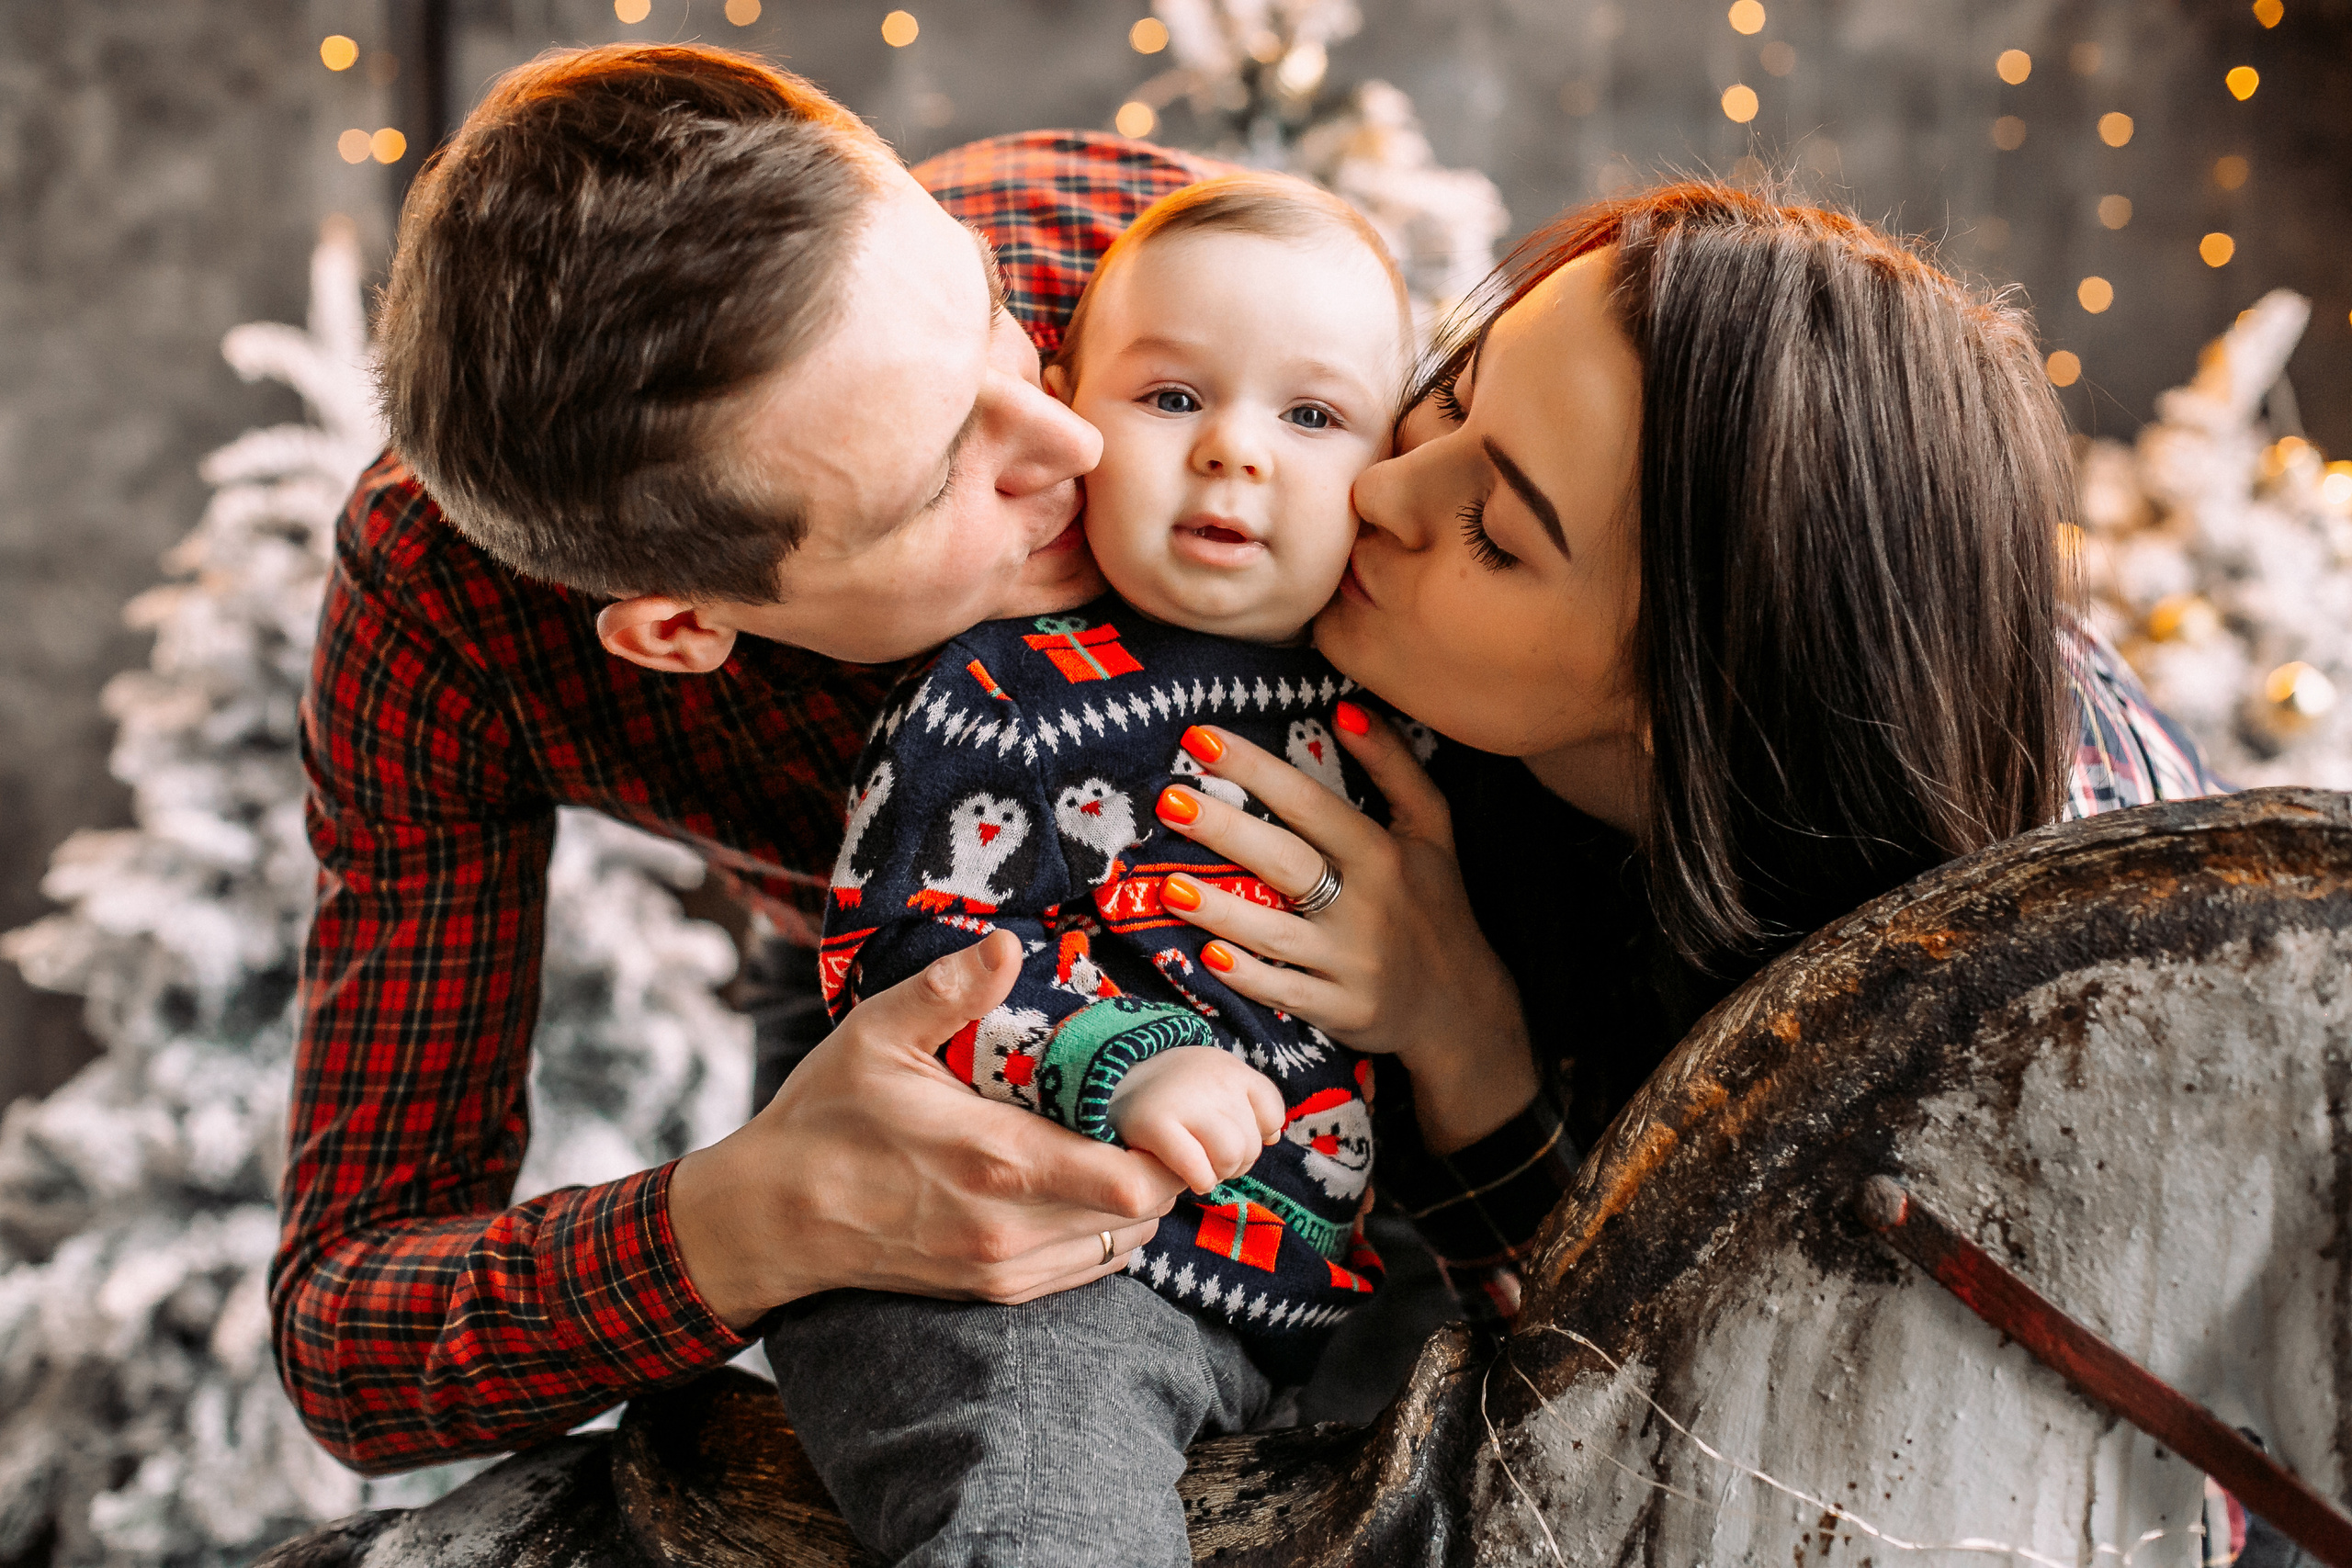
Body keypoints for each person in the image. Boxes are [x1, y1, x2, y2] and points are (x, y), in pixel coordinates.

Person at [266, 43, 1494, 1473]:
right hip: (911, 973)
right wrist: (745, 1215)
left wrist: (1471, 1010)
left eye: (992, 320)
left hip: (1358, 962)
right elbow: (348, 1331)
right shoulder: (446, 617)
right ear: (681, 627)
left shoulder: (1151, 269)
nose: (1074, 429)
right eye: (940, 475)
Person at [1130, 183, 2226, 1320]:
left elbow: (1690, 1418)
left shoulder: (2021, 988)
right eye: (1451, 402)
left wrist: (1464, 1039)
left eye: (1494, 535)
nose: (1378, 488)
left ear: (1699, 698)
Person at [772, 174, 1411, 1565]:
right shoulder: (1003, 695)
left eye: (1311, 416)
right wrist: (1126, 1058)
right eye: (1172, 398)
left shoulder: (1394, 695)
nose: (1235, 451)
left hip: (1301, 1289)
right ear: (1072, 412)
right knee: (1045, 1489)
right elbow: (904, 950)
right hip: (1026, 1265)